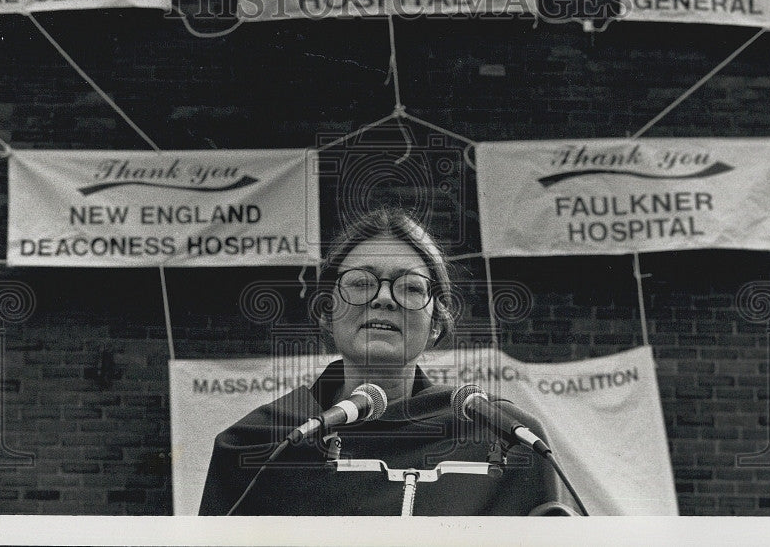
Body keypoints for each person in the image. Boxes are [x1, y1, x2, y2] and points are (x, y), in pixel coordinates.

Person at [198, 207, 562, 516]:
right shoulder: (262, 441)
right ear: (327, 311)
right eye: (360, 283)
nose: (384, 298)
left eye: (410, 286)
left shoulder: (508, 438)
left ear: (436, 323)